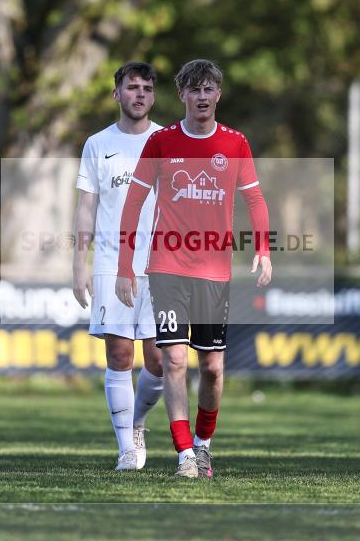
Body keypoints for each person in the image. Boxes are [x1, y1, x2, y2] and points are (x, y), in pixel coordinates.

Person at [115, 59, 271, 478]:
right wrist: (125, 266)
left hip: (215, 271)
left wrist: (263, 249)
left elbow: (255, 200)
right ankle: (184, 453)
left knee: (213, 368)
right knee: (174, 361)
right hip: (166, 268)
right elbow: (133, 202)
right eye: (194, 89)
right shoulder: (162, 142)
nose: (202, 97)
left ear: (218, 94)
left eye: (209, 89)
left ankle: (203, 443)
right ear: (181, 94)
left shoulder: (235, 143)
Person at [73, 62, 164, 471]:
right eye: (132, 87)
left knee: (160, 361)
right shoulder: (96, 144)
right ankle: (126, 447)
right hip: (112, 263)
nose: (139, 94)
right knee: (120, 354)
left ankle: (138, 421)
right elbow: (86, 208)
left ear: (154, 96)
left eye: (146, 88)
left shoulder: (167, 140)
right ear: (117, 95)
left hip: (161, 263)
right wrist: (80, 265)